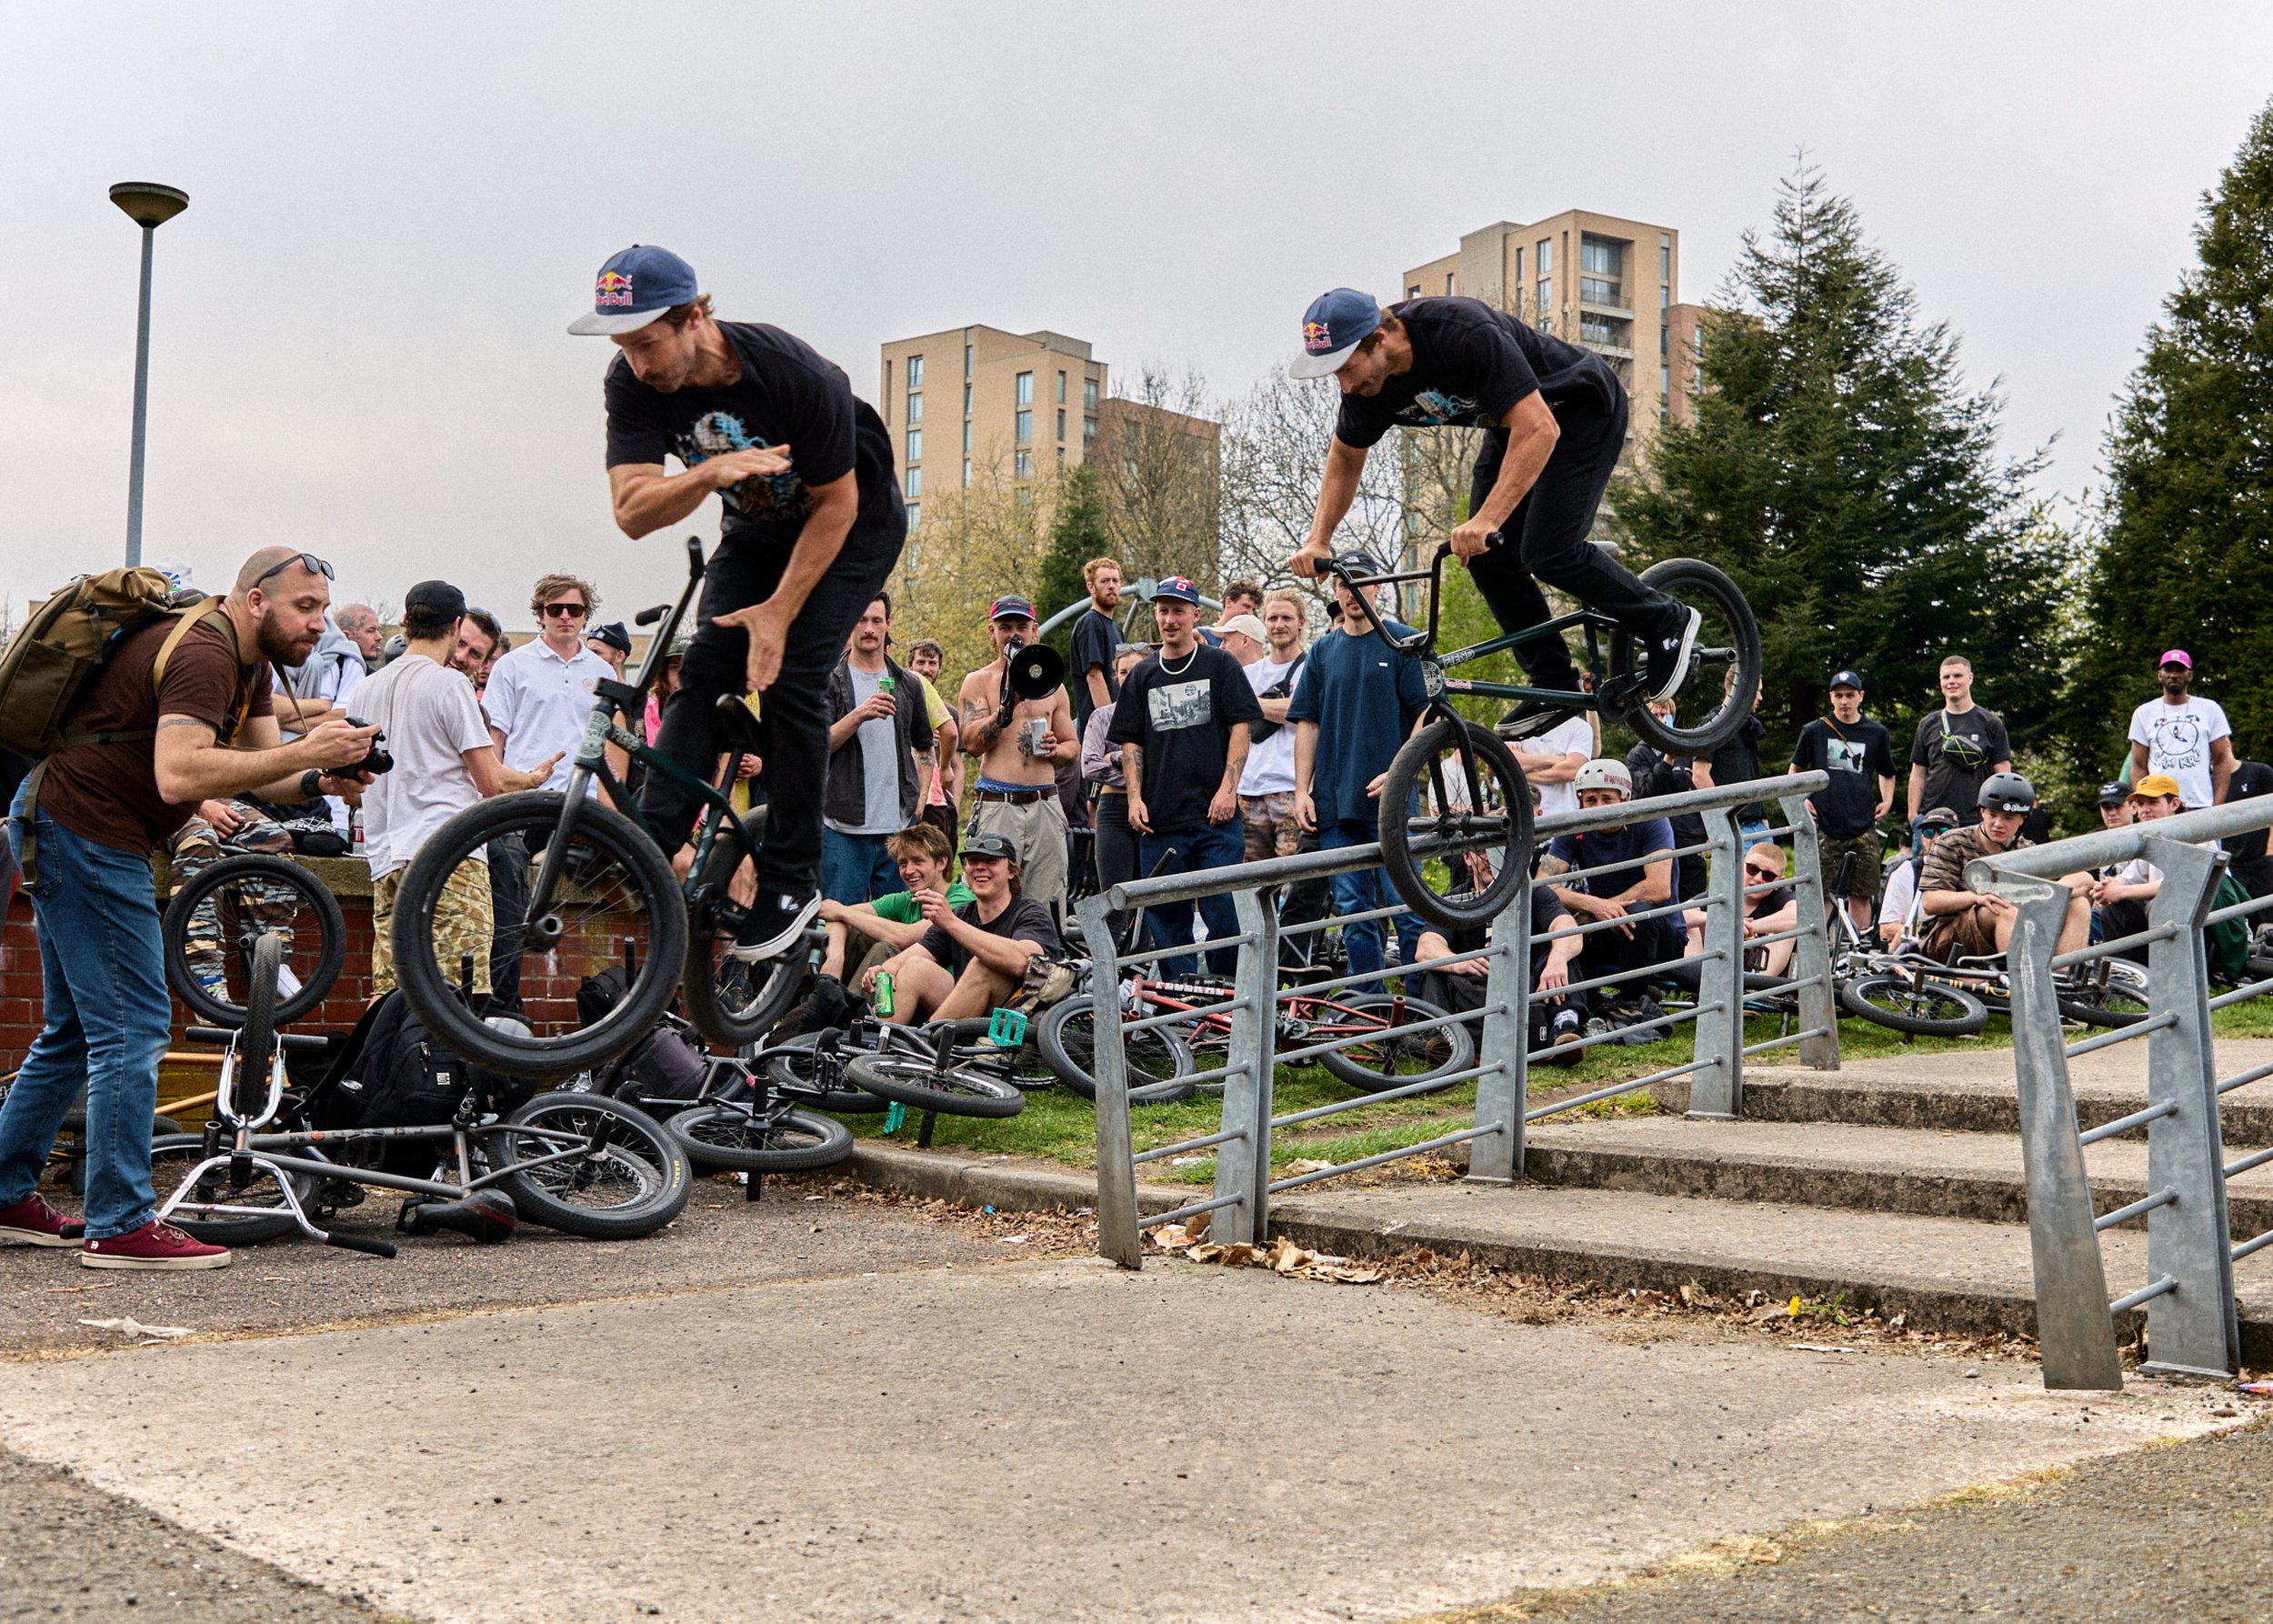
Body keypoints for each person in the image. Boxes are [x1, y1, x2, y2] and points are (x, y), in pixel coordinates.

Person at [0, 548, 378, 1269]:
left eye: (325, 609)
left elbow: (263, 763)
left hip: (70, 822)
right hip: (86, 830)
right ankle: (120, 1223)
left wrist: (320, 772)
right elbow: (180, 773)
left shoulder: (250, 660)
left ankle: (3, 1192)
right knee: (132, 1027)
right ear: (257, 601)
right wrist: (305, 758)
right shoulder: (204, 650)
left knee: (76, 1030)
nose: (318, 623)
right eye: (306, 607)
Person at [576, 242, 904, 962]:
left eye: (648, 343)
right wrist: (710, 474)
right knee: (705, 673)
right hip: (755, 527)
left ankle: (792, 879)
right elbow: (632, 511)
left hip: (852, 525)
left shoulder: (793, 374)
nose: (637, 362)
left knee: (790, 678)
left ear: (694, 318)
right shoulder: (630, 383)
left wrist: (781, 611)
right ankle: (651, 839)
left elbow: (837, 505)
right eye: (623, 346)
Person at [1283, 287, 1698, 732]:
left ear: (1379, 338)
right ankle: (1552, 679)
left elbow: (1540, 427)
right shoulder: (1368, 389)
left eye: (1348, 368)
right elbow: (1345, 458)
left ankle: (1667, 620)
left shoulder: (1460, 332)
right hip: (1511, 429)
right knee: (1487, 558)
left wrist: (1487, 518)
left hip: (1580, 410)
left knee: (1549, 551)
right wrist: (1318, 538)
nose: (1346, 385)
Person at [355, 581, 560, 997]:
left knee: (393, 999)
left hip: (386, 860)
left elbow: (354, 788)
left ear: (406, 621)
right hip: (449, 859)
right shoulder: (450, 686)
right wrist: (533, 780)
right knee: (458, 998)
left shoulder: (364, 689)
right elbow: (491, 782)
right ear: (455, 625)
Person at [1109, 576, 1263, 977]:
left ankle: (1227, 1000)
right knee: (1167, 920)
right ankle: (1178, 1007)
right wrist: (1134, 799)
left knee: (1225, 914)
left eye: (1179, 610)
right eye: (1163, 610)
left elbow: (1241, 728)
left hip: (1216, 819)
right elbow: (1131, 744)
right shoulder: (1142, 675)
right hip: (1160, 823)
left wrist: (1228, 790)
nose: (1170, 619)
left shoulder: (1220, 664)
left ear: (1196, 615)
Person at [1289, 555, 1427, 979]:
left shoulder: (1405, 642)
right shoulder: (1322, 651)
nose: (1352, 591)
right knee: (1353, 913)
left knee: (1408, 908)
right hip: (1335, 804)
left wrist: (1401, 770)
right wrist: (1301, 791)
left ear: (1378, 587)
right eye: (1343, 583)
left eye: (1361, 582)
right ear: (1333, 591)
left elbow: (1430, 715)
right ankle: (1368, 1010)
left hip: (1394, 802)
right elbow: (1307, 723)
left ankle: (1426, 1010)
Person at [956, 596, 1077, 910]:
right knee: (991, 902)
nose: (1014, 634)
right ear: (991, 632)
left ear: (1034, 630)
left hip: (1045, 806)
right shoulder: (977, 681)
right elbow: (971, 743)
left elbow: (1072, 747)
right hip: (999, 805)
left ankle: (1043, 958)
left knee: (1047, 902)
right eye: (1005, 626)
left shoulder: (1054, 685)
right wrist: (1005, 709)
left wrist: (1056, 749)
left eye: (1021, 626)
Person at [863, 833, 1059, 1025]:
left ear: (1011, 871)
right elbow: (911, 956)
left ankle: (925, 1046)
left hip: (1013, 1020)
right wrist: (883, 971)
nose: (980, 868)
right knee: (914, 966)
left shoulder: (1031, 912)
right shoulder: (962, 914)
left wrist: (951, 923)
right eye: (973, 862)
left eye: (990, 862)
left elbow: (1024, 962)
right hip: (966, 1011)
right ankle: (881, 1044)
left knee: (983, 965)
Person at [1537, 759, 1677, 1017]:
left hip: (1660, 933)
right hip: (1605, 926)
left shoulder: (1651, 819)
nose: (1598, 807)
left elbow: (1659, 888)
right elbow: (1542, 884)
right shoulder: (1575, 826)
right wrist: (1594, 906)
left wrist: (1604, 909)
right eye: (1590, 800)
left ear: (1625, 798)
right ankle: (1579, 1002)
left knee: (1639, 913)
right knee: (1558, 925)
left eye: (1606, 799)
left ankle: (1631, 1003)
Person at [823, 595, 935, 905]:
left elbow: (925, 745)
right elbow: (818, 746)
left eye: (876, 620)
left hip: (898, 829)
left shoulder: (907, 683)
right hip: (842, 827)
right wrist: (859, 714)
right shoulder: (830, 681)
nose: (869, 629)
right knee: (837, 921)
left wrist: (922, 796)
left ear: (888, 624)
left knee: (898, 924)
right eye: (861, 620)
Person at [1410, 877, 1587, 1060]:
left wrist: (1557, 959)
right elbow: (1425, 947)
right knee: (1433, 969)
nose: (1488, 857)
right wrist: (1458, 962)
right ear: (1467, 857)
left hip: (1531, 988)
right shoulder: (1454, 899)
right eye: (1481, 851)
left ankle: (1564, 1028)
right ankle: (1444, 1038)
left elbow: (1568, 927)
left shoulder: (1534, 891)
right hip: (1473, 992)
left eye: (1496, 848)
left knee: (1563, 951)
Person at [1918, 773, 2089, 958]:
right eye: (1993, 815)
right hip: (1944, 940)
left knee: (2078, 904)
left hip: (2011, 930)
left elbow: (2085, 879)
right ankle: (2022, 984)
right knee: (2001, 907)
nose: (1998, 824)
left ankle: (2061, 980)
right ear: (1982, 812)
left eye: (2008, 817)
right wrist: (1975, 897)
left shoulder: (2027, 851)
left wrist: (2050, 892)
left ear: (2023, 819)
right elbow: (1930, 901)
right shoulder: (1952, 842)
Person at [486, 573, 612, 798]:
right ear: (541, 616)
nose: (565, 616)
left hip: (587, 800)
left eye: (574, 610)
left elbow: (612, 746)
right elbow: (495, 737)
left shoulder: (604, 672)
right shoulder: (511, 665)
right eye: (555, 609)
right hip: (524, 798)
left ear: (585, 617)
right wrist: (494, 794)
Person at [1789, 669, 1897, 932]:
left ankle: (1858, 954)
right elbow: (1795, 772)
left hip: (1862, 823)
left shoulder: (1876, 732)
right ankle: (1820, 953)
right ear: (1831, 697)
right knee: (1822, 893)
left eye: (1850, 695)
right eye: (1839, 695)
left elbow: (1888, 772)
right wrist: (1802, 800)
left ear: (1860, 696)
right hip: (1824, 824)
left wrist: (1887, 800)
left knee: (1862, 893)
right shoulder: (1815, 731)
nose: (1844, 701)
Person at [816, 821, 974, 986]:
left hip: (944, 991)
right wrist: (835, 959)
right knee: (849, 934)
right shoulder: (905, 899)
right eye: (903, 864)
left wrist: (843, 912)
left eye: (918, 861)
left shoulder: (961, 900)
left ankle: (849, 1008)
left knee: (885, 949)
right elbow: (833, 913)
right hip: (906, 985)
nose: (909, 871)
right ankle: (818, 995)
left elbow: (906, 937)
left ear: (942, 863)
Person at [1082, 645, 1151, 922]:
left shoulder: (1159, 717)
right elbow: (1089, 766)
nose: (1130, 676)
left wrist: (1113, 757)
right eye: (1124, 672)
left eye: (1136, 670)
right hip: (1112, 808)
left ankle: (1140, 964)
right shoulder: (1102, 717)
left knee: (1149, 898)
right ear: (1116, 677)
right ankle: (1109, 962)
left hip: (1152, 808)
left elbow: (1167, 765)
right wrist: (1132, 769)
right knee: (1113, 896)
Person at [1238, 593, 1307, 867]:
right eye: (1272, 618)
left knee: (1290, 881)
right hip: (1248, 792)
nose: (1279, 624)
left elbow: (1301, 710)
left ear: (1301, 622)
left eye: (1287, 618)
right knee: (1249, 884)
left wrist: (1250, 704)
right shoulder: (1249, 673)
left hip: (1291, 788)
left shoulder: (1311, 668)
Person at [1908, 656, 2011, 827]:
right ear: (1940, 682)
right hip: (1933, 820)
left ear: (1970, 678)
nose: (1951, 681)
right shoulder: (1928, 724)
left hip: (1976, 820)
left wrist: (1996, 816)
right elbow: (1918, 772)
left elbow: (2003, 775)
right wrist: (1913, 814)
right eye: (1946, 677)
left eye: (1957, 676)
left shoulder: (1990, 723)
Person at [2127, 649, 2234, 811]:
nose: (2174, 675)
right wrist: (2145, 805)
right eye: (2169, 670)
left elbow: (2221, 761)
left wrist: (2216, 808)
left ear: (2190, 675)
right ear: (2160, 675)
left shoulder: (2210, 709)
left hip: (2201, 805)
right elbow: (2138, 765)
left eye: (2180, 670)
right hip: (2161, 808)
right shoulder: (2144, 713)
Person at [1625, 700, 1707, 903]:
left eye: (1665, 715)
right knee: (1663, 900)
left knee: (1695, 902)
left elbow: (1696, 792)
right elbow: (1646, 795)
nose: (1661, 720)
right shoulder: (1638, 754)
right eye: (1655, 715)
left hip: (1690, 840)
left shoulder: (1686, 752)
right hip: (1658, 841)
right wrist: (1667, 760)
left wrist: (1706, 832)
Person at [2090, 774, 2181, 951]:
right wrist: (2107, 888)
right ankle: (2126, 974)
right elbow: (2128, 878)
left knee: (2163, 904)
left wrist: (2121, 891)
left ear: (2174, 804)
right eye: (2140, 804)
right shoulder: (2151, 837)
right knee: (2113, 909)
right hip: (2161, 921)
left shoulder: (2196, 831)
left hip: (2205, 923)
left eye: (2153, 802)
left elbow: (2178, 885)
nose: (2145, 810)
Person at [1685, 842, 1800, 977]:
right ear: (1741, 867)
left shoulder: (1781, 896)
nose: (1758, 879)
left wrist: (1747, 927)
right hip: (1713, 968)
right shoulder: (1724, 891)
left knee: (1786, 930)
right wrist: (1726, 921)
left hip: (1760, 970)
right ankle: (1699, 981)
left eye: (1768, 876)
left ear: (1778, 882)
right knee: (1689, 924)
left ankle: (1755, 987)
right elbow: (1681, 913)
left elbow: (1798, 916)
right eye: (1752, 869)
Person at [1694, 674, 1769, 845]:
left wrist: (1762, 816)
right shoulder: (1713, 725)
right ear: (1741, 690)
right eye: (1757, 692)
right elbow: (1699, 775)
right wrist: (1722, 821)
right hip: (1734, 828)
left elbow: (1751, 775)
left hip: (1758, 826)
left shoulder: (1748, 726)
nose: (1760, 697)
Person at [904, 638, 961, 853]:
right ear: (910, 665)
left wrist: (955, 800)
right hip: (908, 794)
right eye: (920, 662)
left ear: (940, 668)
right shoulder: (901, 695)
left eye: (932, 663)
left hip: (938, 799)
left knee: (936, 861)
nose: (926, 669)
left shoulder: (948, 712)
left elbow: (957, 763)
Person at [1878, 807, 1957, 946]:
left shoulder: (1970, 872)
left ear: (1958, 836)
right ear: (1922, 838)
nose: (1936, 838)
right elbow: (1886, 929)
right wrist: (1925, 936)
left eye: (1944, 832)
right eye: (1929, 832)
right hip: (1915, 949)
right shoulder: (1907, 871)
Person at [1069, 558, 1124, 737]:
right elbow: (1094, 676)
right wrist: (1109, 725)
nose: (1111, 586)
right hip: (1099, 733)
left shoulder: (1116, 629)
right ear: (1091, 587)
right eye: (1105, 581)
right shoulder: (1090, 623)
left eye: (1115, 581)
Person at [2224, 760, 2273, 899]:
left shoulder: (2260, 772)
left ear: (2226, 743)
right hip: (2232, 862)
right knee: (2240, 914)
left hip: (2262, 857)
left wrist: (2270, 851)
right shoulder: (2209, 783)